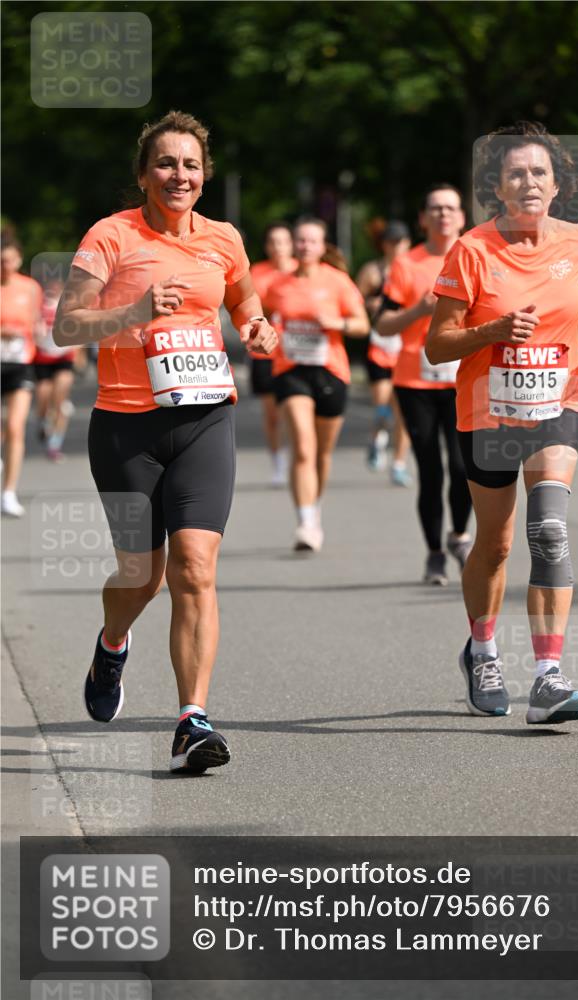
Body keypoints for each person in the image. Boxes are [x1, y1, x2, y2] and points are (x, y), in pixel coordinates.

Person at [53, 110, 277, 771]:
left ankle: (192, 719)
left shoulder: (224, 239)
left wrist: (259, 329)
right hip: (126, 426)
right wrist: (137, 311)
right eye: (165, 164)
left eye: (190, 165)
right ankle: (112, 644)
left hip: (205, 417)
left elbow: (246, 303)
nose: (178, 175)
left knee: (194, 570)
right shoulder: (111, 236)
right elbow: (68, 326)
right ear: (144, 174)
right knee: (140, 575)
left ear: (204, 176)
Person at [426, 121, 578, 724]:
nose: (529, 182)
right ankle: (482, 650)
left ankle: (547, 678)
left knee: (550, 531)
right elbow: (437, 344)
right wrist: (491, 332)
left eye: (539, 172)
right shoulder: (473, 250)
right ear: (498, 189)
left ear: (556, 184)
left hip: (562, 400)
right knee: (497, 541)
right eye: (516, 174)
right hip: (490, 411)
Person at [376, 185, 473, 586]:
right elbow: (382, 325)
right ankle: (434, 553)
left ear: (462, 216)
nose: (443, 215)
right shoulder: (407, 264)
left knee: (464, 465)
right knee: (430, 469)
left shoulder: (476, 256)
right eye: (434, 208)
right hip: (415, 380)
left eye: (450, 208)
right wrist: (419, 309)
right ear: (422, 218)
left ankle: (460, 536)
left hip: (463, 378)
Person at [264, 218, 370, 552]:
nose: (305, 246)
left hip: (330, 372)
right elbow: (264, 316)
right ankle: (305, 522)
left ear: (323, 247)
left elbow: (362, 325)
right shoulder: (277, 284)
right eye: (300, 241)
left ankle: (314, 505)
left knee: (322, 455)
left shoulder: (337, 282)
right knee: (304, 447)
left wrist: (336, 322)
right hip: (291, 370)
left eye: (311, 241)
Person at [356, 219, 412, 485]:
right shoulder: (373, 271)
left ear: (407, 243)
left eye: (400, 241)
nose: (396, 247)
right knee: (383, 406)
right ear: (384, 245)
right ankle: (377, 439)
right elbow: (354, 301)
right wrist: (371, 303)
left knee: (403, 410)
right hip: (381, 345)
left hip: (408, 347)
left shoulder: (414, 269)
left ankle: (399, 463)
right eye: (391, 242)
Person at [249, 222, 297, 486]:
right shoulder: (258, 273)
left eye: (283, 241)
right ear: (267, 246)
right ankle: (277, 461)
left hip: (294, 353)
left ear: (291, 244)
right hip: (265, 353)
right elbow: (250, 308)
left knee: (294, 409)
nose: (278, 247)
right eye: (273, 242)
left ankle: (295, 458)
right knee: (272, 414)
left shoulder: (301, 272)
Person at [1, 232, 42, 517]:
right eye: (1, 262)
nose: (6, 267)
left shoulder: (30, 288)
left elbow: (36, 323)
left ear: (19, 260)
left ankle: (9, 492)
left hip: (21, 363)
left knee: (16, 427)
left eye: (10, 261)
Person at [33, 278, 81, 462]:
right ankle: (43, 421)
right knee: (44, 396)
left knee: (60, 399)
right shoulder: (39, 307)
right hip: (43, 358)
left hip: (64, 358)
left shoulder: (70, 307)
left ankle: (54, 444)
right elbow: (31, 328)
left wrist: (77, 354)